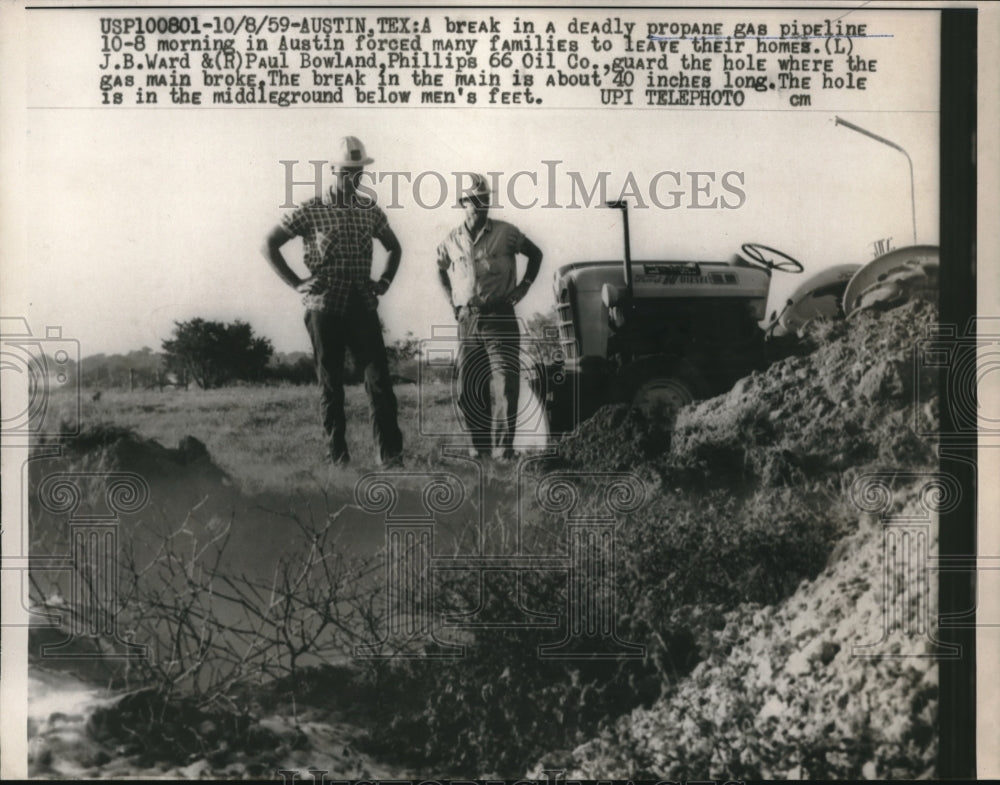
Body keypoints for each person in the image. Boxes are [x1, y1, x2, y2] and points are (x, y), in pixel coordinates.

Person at [262, 136, 403, 466]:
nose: (353, 178)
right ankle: (337, 458)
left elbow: (395, 247)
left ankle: (391, 458)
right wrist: (297, 283)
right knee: (331, 385)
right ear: (334, 171)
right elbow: (270, 243)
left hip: (362, 308)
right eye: (347, 172)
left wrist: (383, 281)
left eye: (359, 172)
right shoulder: (312, 210)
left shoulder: (370, 211)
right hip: (324, 308)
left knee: (379, 382)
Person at [436, 173, 543, 460]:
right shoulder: (451, 240)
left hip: (500, 318)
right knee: (468, 388)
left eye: (485, 200)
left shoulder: (506, 233)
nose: (481, 205)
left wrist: (524, 286)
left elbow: (536, 254)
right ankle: (479, 449)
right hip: (468, 321)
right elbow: (439, 268)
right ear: (463, 203)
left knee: (506, 384)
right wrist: (453, 305)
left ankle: (502, 451)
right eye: (474, 201)